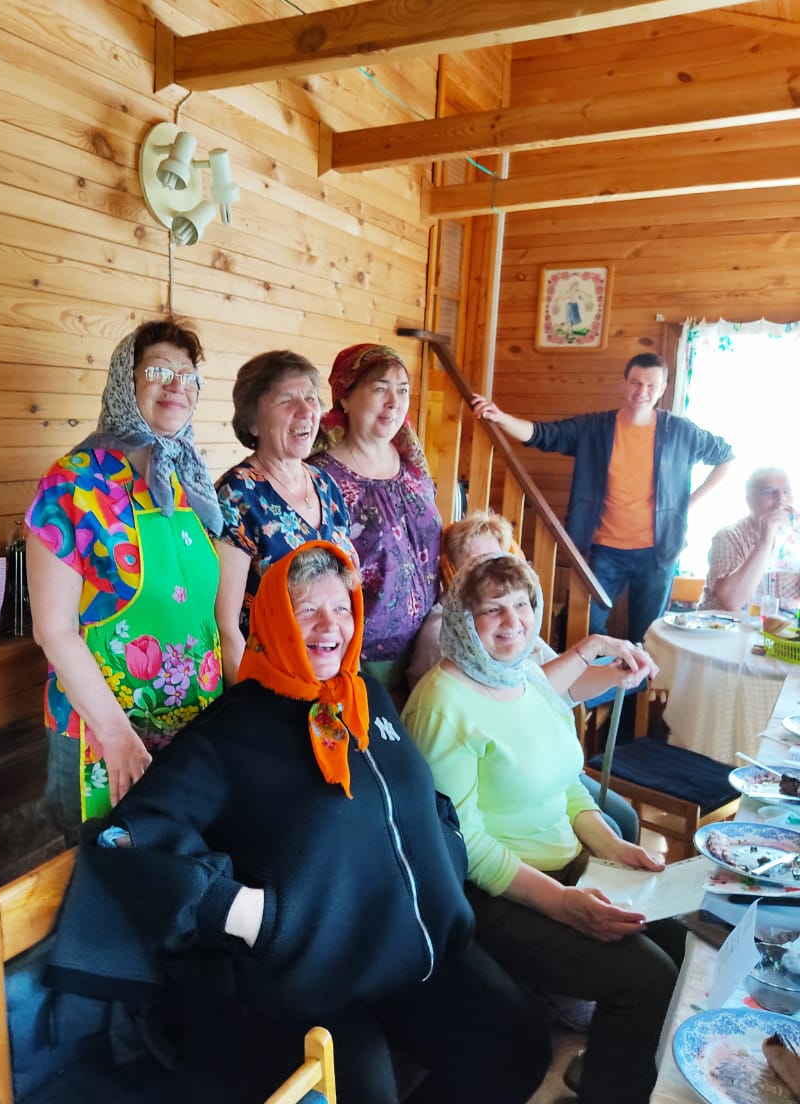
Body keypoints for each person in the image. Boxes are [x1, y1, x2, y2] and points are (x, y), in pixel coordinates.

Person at [46, 542, 551, 1104]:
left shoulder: (365, 696)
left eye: (341, 608)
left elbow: (418, 796)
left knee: (518, 1049)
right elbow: (129, 839)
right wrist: (256, 917)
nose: (328, 625)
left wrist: (446, 849)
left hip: (413, 946)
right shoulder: (233, 730)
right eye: (307, 609)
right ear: (273, 620)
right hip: (317, 981)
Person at [402, 553, 686, 1104]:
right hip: (496, 893)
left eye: (522, 604)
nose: (513, 621)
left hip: (566, 864)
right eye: (492, 609)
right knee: (646, 978)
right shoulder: (443, 703)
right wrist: (564, 905)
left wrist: (612, 847)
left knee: (677, 940)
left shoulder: (526, 675)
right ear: (462, 619)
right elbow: (465, 844)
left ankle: (609, 1071)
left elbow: (568, 785)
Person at [26, 318, 224, 840]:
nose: (176, 385)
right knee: (101, 871)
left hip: (192, 733)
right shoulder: (73, 481)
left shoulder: (188, 480)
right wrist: (116, 736)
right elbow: (53, 629)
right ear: (123, 382)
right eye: (158, 370)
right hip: (104, 736)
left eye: (188, 375)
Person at [407, 509, 658, 843]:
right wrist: (591, 646)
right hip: (506, 777)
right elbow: (517, 700)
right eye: (476, 564)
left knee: (624, 821)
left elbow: (560, 688)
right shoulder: (449, 633)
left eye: (498, 559)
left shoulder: (516, 623)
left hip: (543, 760)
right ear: (453, 570)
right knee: (615, 825)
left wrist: (613, 675)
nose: (490, 572)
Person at [472, 352, 734, 642]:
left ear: (662, 389)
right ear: (624, 384)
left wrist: (689, 502)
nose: (642, 391)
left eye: (651, 385)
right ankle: (593, 673)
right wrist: (501, 417)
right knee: (586, 627)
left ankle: (633, 674)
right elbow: (543, 434)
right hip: (604, 551)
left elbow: (726, 456)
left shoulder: (680, 431)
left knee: (647, 636)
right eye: (635, 383)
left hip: (659, 553)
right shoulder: (595, 428)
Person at [214, 351, 355, 684]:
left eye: (311, 398)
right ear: (253, 421)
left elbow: (349, 592)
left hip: (327, 671)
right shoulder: (237, 494)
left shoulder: (325, 484)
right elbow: (226, 626)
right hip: (269, 682)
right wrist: (249, 703)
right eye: (287, 400)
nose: (306, 411)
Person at [310, 343, 442, 688]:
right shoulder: (322, 478)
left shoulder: (413, 466)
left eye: (403, 390)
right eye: (380, 388)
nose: (394, 401)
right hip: (362, 660)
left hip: (429, 646)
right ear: (345, 397)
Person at [702, 467, 800, 612]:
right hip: (726, 624)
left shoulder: (795, 537)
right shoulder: (729, 536)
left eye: (787, 491)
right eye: (769, 491)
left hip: (781, 624)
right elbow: (732, 601)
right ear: (749, 500)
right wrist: (766, 540)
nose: (781, 499)